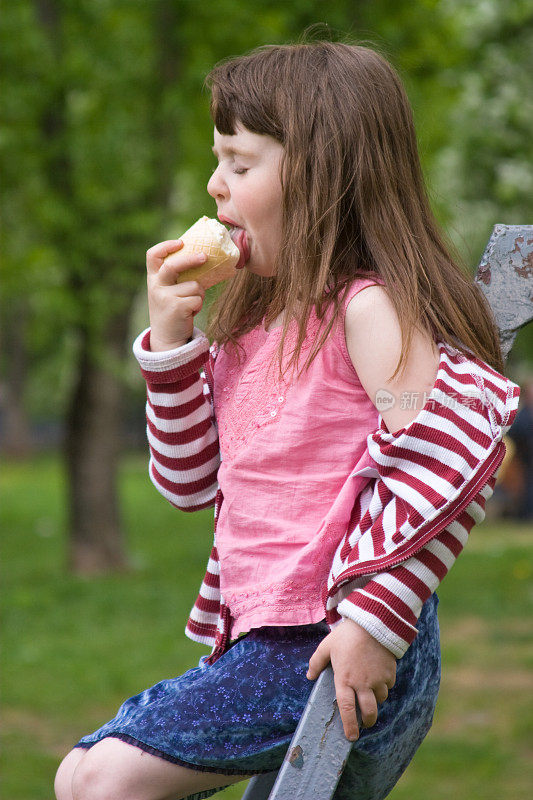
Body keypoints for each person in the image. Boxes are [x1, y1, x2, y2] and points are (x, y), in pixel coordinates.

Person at [54, 41, 520, 800]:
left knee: (99, 781)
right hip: (263, 642)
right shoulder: (254, 326)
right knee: (82, 778)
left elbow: (452, 457)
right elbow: (186, 482)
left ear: (320, 171)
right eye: (217, 160)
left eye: (240, 164)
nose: (214, 185)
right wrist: (171, 345)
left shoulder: (367, 311)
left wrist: (374, 626)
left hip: (333, 639)